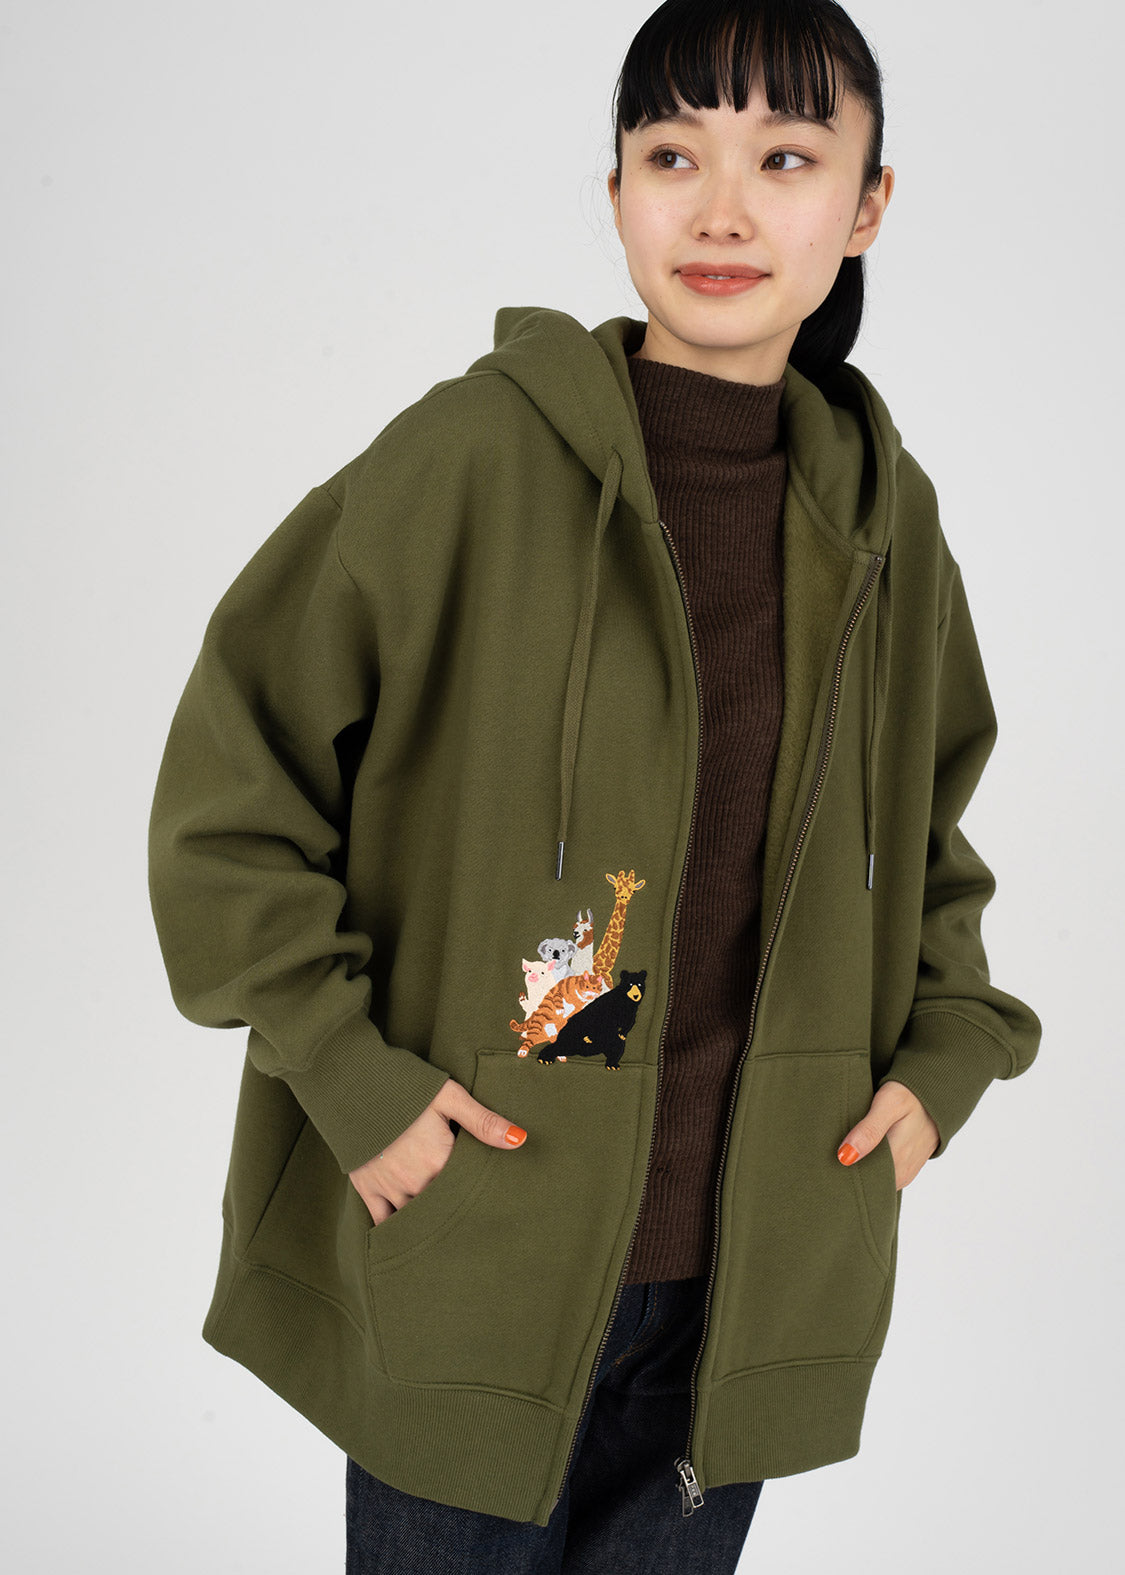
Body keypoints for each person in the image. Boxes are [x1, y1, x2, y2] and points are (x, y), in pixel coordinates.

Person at [147, 1, 1042, 1570]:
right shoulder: (470, 462)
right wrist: (353, 1083)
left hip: (749, 1280)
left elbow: (929, 845)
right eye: (670, 155)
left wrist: (944, 1061)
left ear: (867, 203)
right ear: (615, 190)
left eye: (785, 158)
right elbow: (233, 798)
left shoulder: (883, 521)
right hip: (475, 1243)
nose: (720, 209)